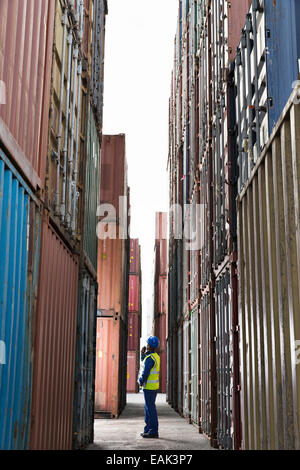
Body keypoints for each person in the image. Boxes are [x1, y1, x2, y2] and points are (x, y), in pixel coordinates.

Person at [138, 336, 160, 438]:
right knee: (148, 409)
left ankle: (153, 431)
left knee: (150, 410)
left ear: (151, 346)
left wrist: (141, 381)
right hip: (153, 387)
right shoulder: (155, 356)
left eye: (148, 344)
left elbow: (146, 372)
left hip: (149, 388)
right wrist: (142, 354)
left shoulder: (150, 358)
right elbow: (145, 363)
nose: (146, 345)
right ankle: (148, 429)